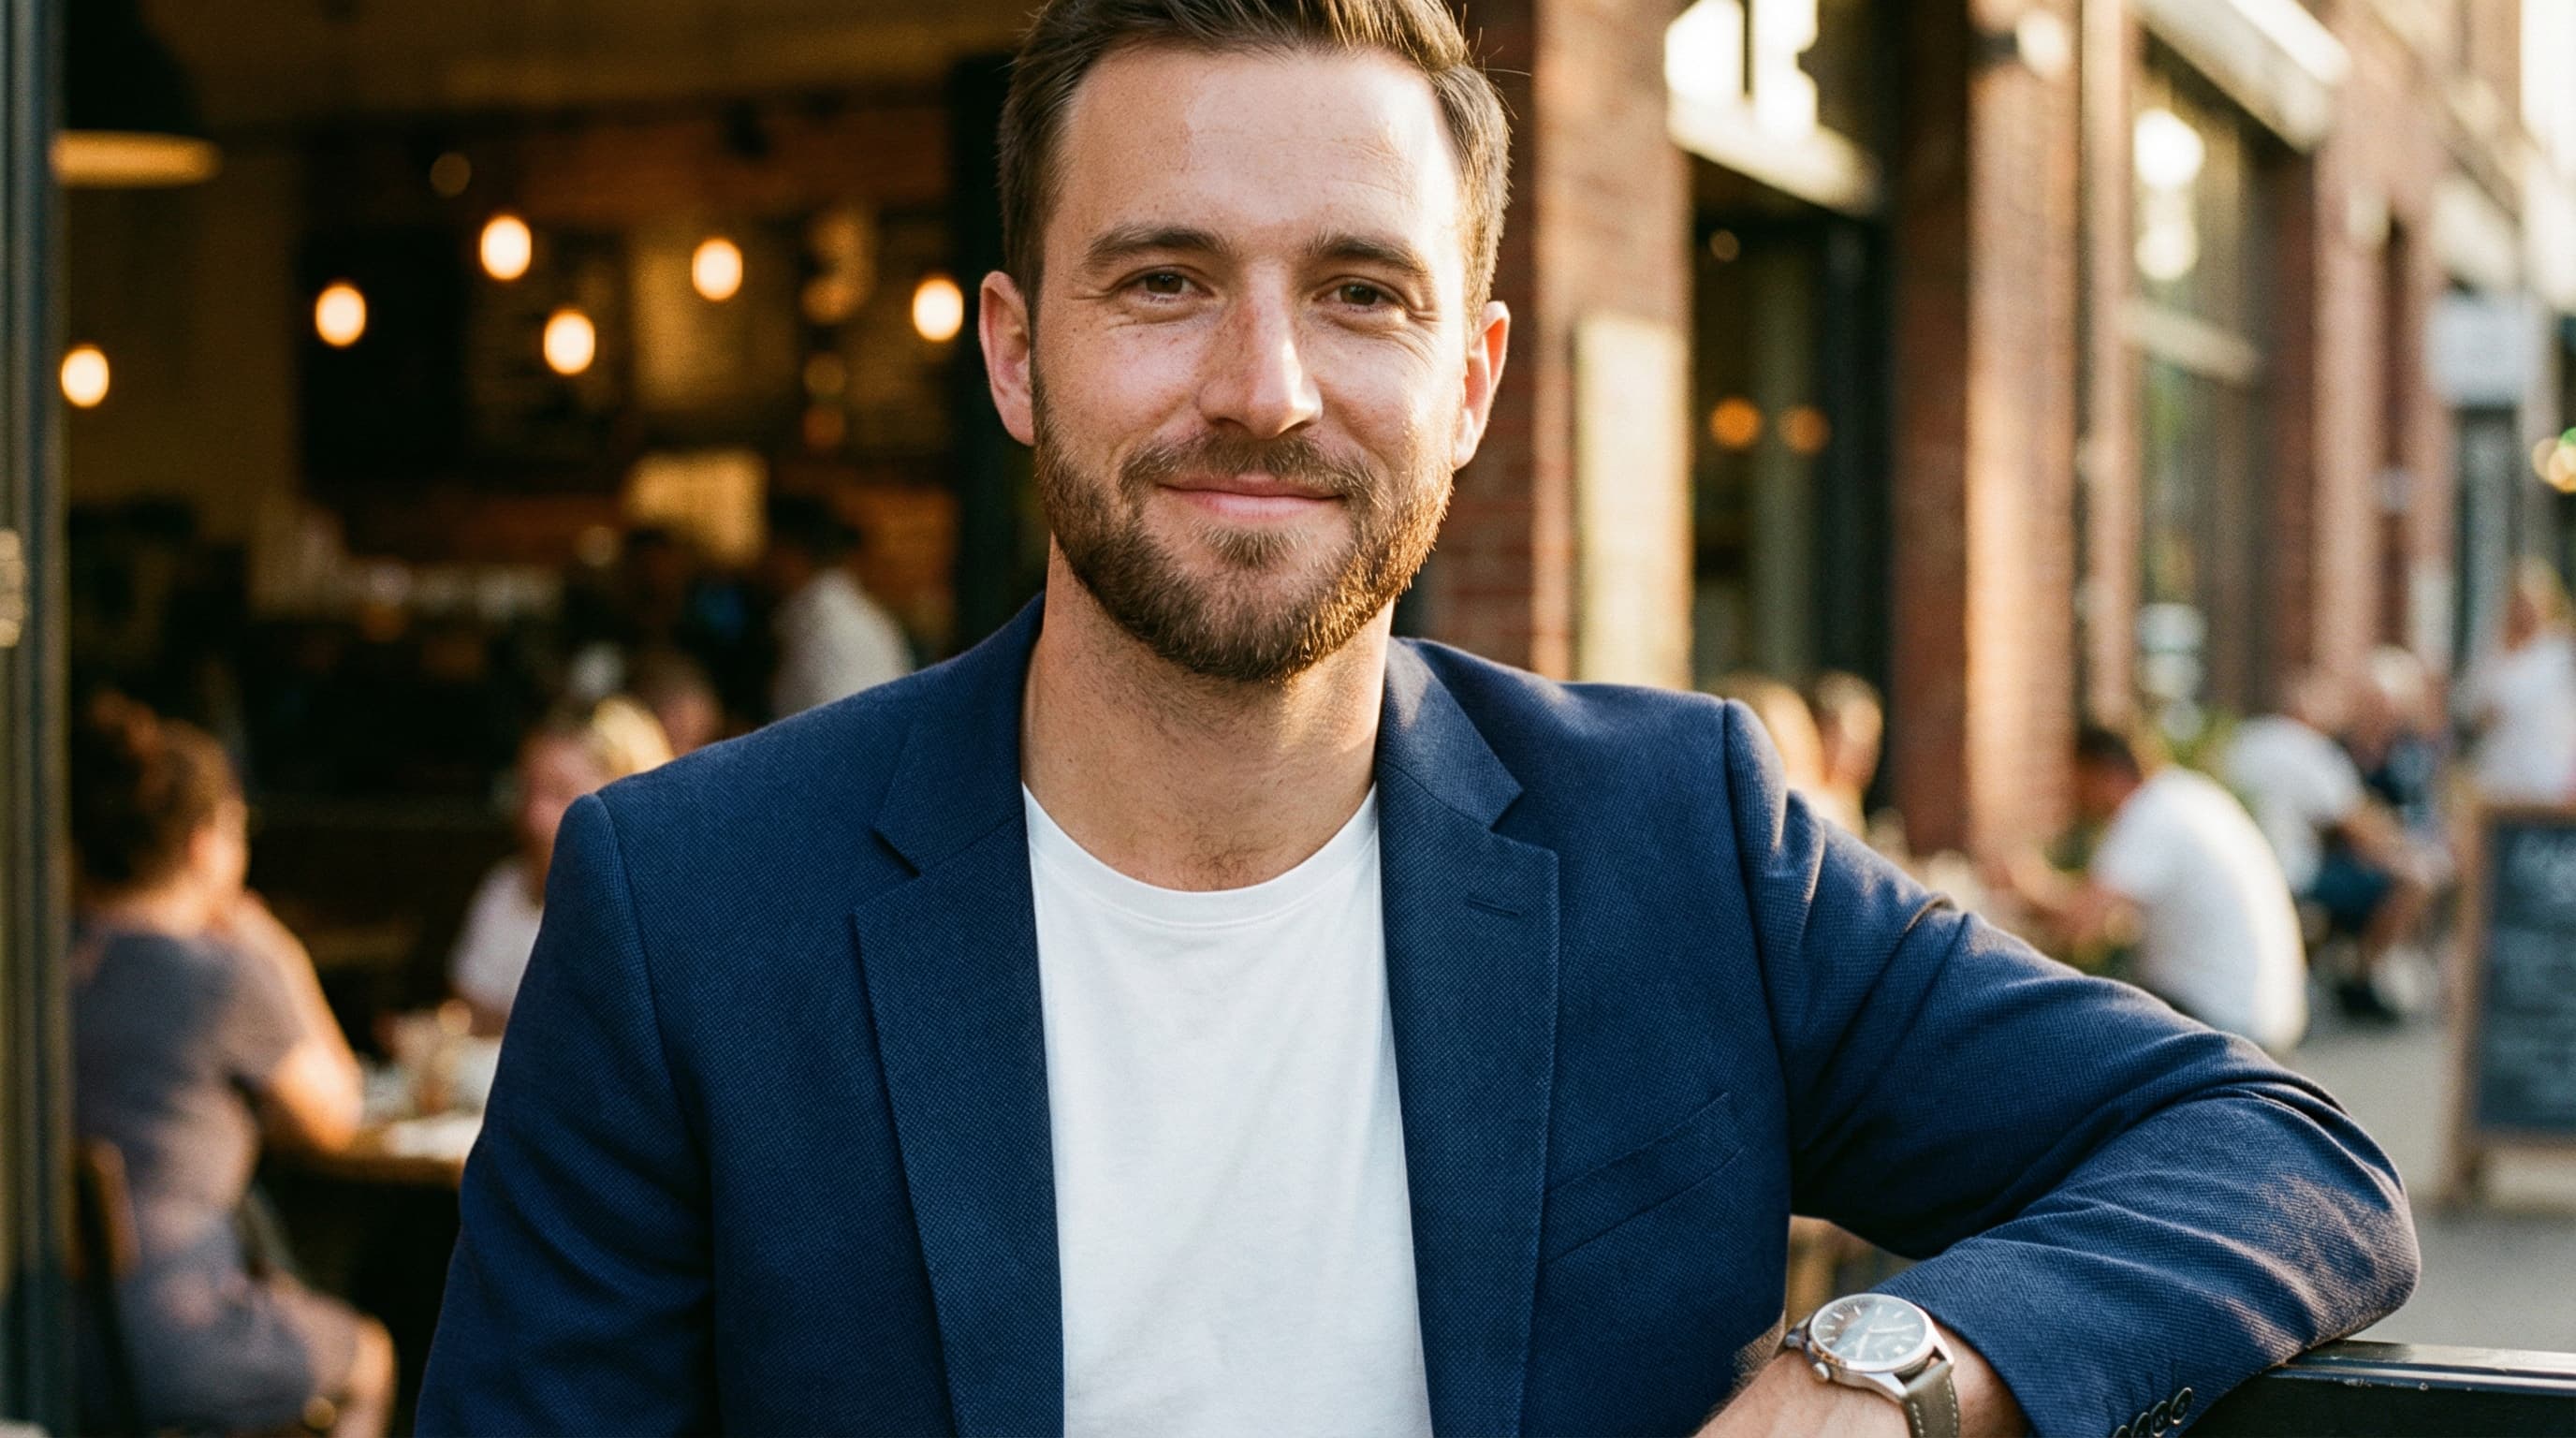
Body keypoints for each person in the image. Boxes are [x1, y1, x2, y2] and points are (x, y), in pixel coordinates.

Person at [419, 5, 2415, 1436]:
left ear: (1467, 381)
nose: (1264, 384)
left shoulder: (1679, 838)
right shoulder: (690, 907)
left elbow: (2272, 1153)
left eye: (1358, 292)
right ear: (1017, 357)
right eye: (1165, 279)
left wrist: (1879, 1373)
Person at [68, 697, 395, 1438]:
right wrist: (276, 947)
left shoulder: (43, 959)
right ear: (205, 843)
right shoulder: (220, 977)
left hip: (44, 1330)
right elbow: (336, 1116)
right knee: (369, 1356)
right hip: (171, 1337)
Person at [1996, 725, 2309, 1053]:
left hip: (2223, 1023)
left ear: (2098, 773)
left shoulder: (2149, 816)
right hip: (2270, 1016)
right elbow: (2113, 920)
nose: (2072, 798)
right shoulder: (2187, 793)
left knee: (2065, 1046)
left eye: (2075, 783)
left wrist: (2024, 887)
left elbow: (2081, 927)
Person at [448, 698, 672, 1034]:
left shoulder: (661, 910)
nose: (534, 816)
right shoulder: (507, 885)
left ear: (626, 793)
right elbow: (465, 1009)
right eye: (527, 789)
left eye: (559, 792)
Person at [2223, 671, 2432, 1022]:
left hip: (2242, 871)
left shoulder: (2243, 741)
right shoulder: (2311, 751)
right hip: (2294, 873)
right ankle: (2360, 979)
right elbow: (2361, 827)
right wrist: (2405, 846)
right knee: (2410, 883)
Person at [763, 494, 914, 717]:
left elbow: (845, 737)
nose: (764, 562)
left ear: (790, 553)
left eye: (771, 550)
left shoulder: (837, 629)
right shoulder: (820, 620)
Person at [2460, 559, 2576, 804]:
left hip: (2546, 779)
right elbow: (2470, 708)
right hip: (2498, 776)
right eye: (2520, 602)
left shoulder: (2560, 652)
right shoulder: (2492, 653)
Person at [1808, 670, 1884, 837]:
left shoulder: (1845, 800)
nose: (1865, 754)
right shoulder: (1811, 808)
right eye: (1853, 740)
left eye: (1871, 741)